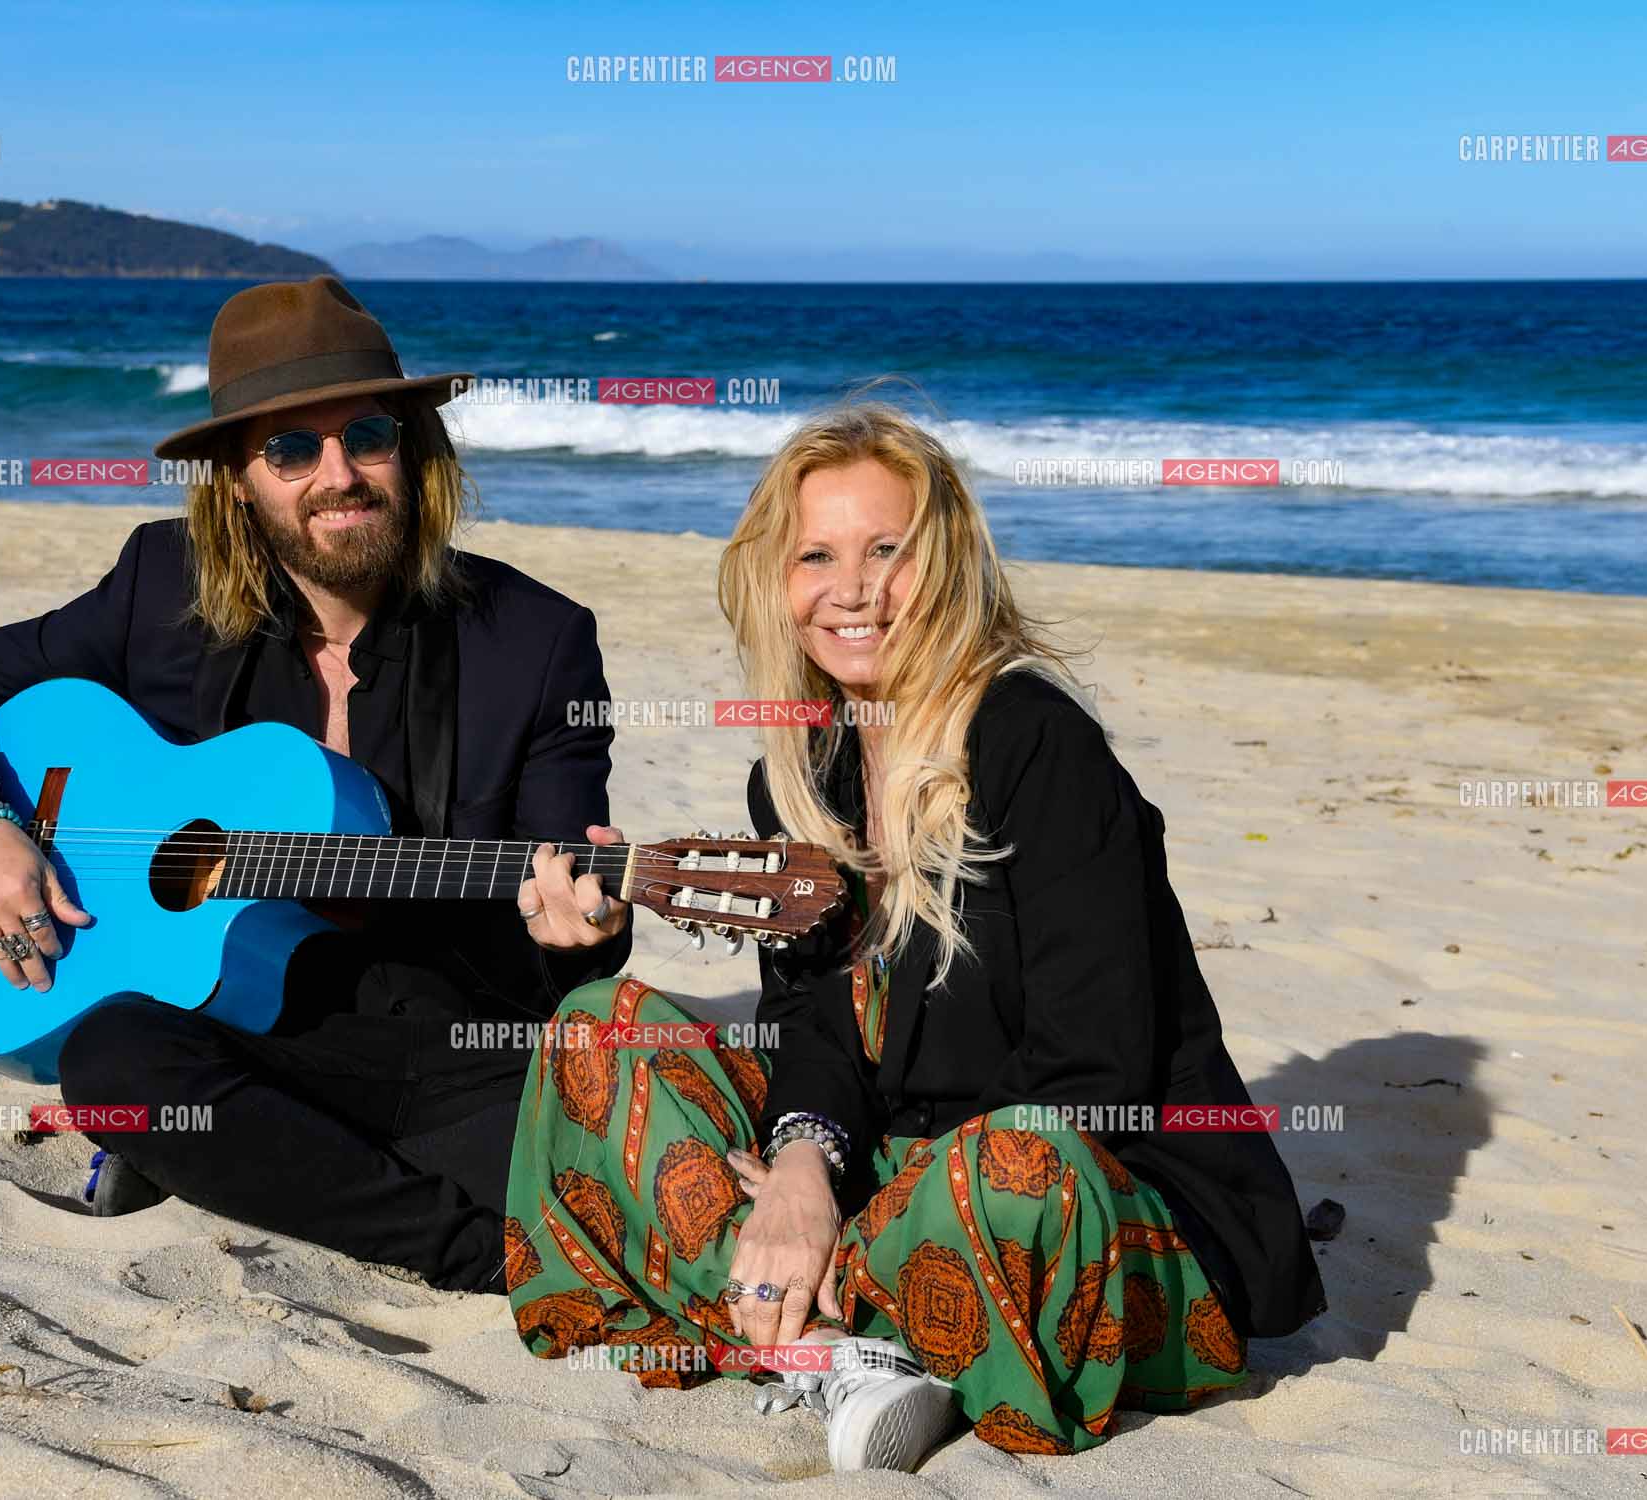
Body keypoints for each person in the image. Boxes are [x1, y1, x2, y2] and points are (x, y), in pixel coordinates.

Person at [503, 403, 1325, 1471]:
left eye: (887, 551)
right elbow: (811, 1024)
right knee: (596, 1032)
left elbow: (1094, 1077)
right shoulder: (799, 777)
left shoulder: (1037, 745)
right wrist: (805, 1165)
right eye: (818, 555)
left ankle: (807, 1319)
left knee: (1007, 1167)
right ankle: (853, 1342)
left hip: (1096, 1200)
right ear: (776, 581)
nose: (852, 589)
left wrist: (849, 1214)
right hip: (899, 1185)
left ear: (944, 565)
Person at [0, 275, 631, 1291]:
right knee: (113, 1059)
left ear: (413, 447)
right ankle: (477, 1257)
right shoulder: (162, 587)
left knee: (587, 1170)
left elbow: (565, 920)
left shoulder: (537, 643)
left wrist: (584, 925)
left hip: (432, 1033)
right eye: (291, 449)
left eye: (368, 434)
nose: (339, 475)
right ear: (238, 475)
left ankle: (266, 1166)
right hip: (219, 1022)